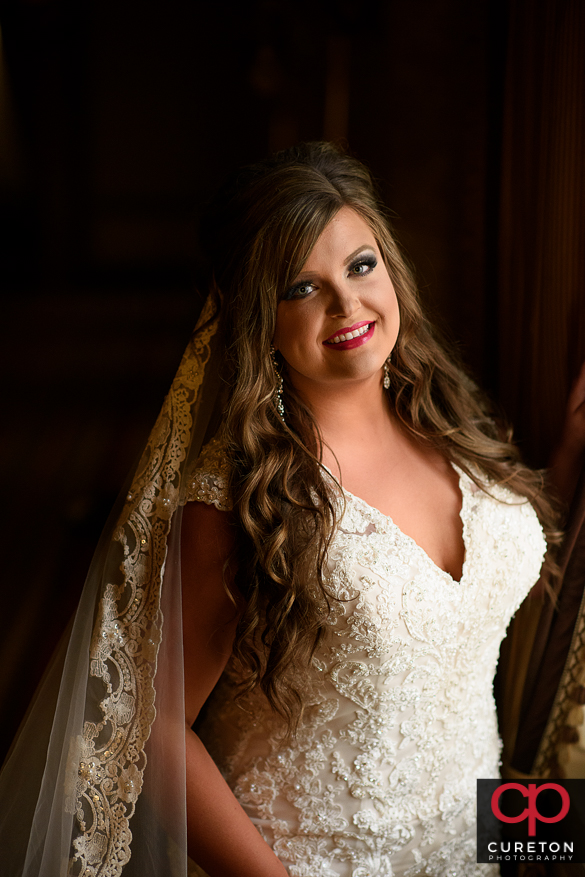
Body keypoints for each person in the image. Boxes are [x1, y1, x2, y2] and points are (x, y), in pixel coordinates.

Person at [0, 142, 565, 877]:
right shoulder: (237, 499)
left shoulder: (448, 421)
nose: (347, 304)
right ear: (255, 319)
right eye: (301, 287)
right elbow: (154, 729)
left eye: (360, 265)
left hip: (481, 847)